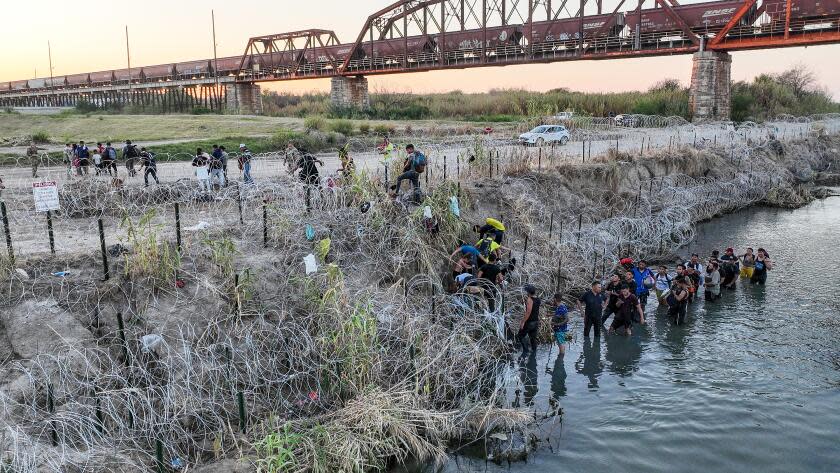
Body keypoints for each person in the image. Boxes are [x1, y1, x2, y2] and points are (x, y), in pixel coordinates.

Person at [517, 285, 541, 354]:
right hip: (536, 322)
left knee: (520, 335)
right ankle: (534, 352)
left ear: (529, 292)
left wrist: (523, 322)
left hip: (529, 322)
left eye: (527, 291)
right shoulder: (538, 299)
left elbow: (528, 312)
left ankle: (525, 351)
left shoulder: (529, 300)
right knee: (533, 339)